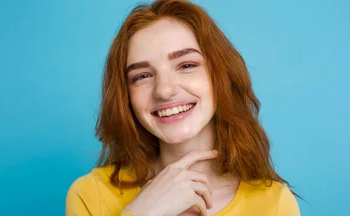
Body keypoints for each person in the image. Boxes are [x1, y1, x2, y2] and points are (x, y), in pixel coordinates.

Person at [66, 0, 301, 215]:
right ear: (126, 96)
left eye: (186, 65)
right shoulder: (91, 195)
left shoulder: (274, 203)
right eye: (143, 76)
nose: (164, 90)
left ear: (221, 76)